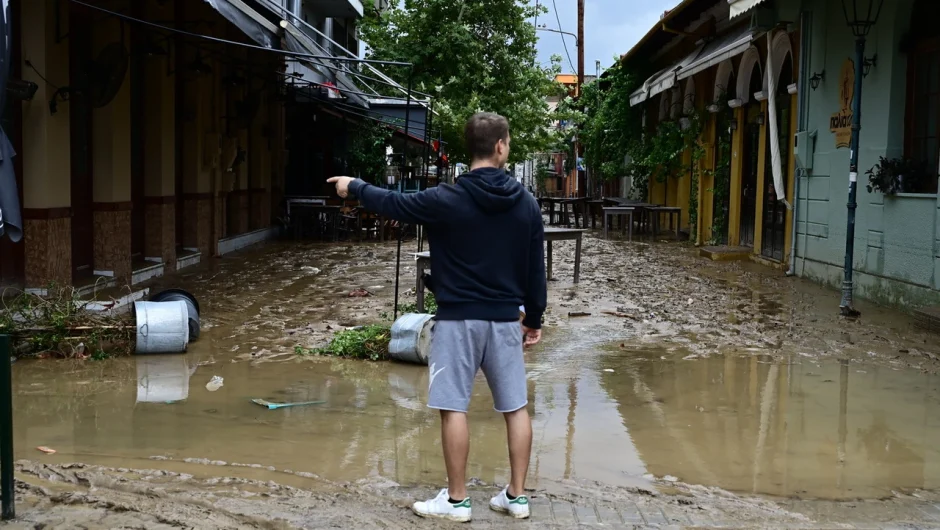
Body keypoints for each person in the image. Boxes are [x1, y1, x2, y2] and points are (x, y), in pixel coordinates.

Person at [327, 112, 546, 522]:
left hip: (457, 319)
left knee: (454, 408)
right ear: (500, 146)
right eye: (510, 141)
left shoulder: (445, 198)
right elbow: (536, 268)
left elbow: (394, 202)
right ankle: (516, 497)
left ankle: (458, 501)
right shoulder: (527, 204)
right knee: (516, 408)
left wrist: (352, 186)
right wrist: (533, 318)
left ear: (473, 148)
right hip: (504, 320)